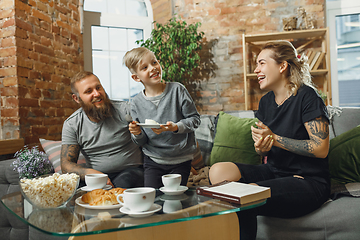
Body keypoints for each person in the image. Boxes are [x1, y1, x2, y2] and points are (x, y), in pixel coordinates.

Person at [209, 40, 330, 240]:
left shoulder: (308, 97)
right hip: (274, 172)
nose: (256, 70)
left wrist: (274, 139)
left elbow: (321, 148)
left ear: (282, 66)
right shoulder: (265, 102)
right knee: (218, 171)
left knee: (246, 194)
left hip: (307, 180)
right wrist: (261, 147)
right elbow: (264, 152)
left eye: (262, 63)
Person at [123, 47, 201, 189]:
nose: (153, 68)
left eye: (154, 62)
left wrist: (176, 127)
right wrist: (137, 133)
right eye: (145, 67)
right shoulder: (135, 103)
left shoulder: (178, 90)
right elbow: (141, 141)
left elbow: (195, 120)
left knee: (175, 201)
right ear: (136, 77)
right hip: (153, 160)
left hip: (180, 159)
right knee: (153, 199)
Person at [60, 71, 144, 188]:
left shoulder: (125, 110)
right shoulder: (72, 124)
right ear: (77, 98)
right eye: (89, 91)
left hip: (132, 172)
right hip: (96, 176)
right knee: (75, 191)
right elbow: (66, 165)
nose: (97, 94)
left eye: (98, 87)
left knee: (123, 184)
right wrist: (90, 173)